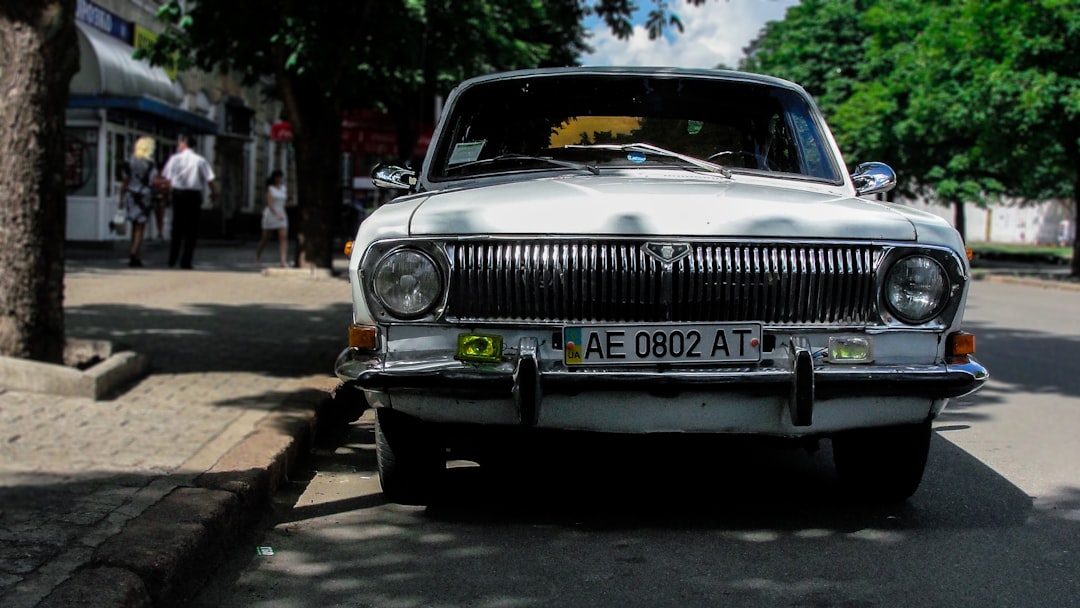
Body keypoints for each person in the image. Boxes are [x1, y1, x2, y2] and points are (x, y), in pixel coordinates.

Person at [160, 133, 216, 269]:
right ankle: (186, 261)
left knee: (177, 227)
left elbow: (167, 180)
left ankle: (172, 259)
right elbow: (210, 179)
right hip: (193, 196)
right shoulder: (200, 160)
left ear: (184, 144)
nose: (179, 145)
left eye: (180, 143)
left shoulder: (174, 159)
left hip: (178, 194)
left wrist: (165, 196)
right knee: (191, 229)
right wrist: (214, 193)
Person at [117, 136, 159, 267]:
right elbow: (153, 181)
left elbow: (125, 181)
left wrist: (121, 197)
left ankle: (134, 251)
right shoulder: (150, 164)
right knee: (140, 226)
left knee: (134, 225)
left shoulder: (129, 161)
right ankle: (135, 253)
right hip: (144, 196)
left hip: (131, 195)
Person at [256, 169, 289, 267]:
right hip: (271, 214)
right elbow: (270, 204)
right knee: (266, 238)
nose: (279, 179)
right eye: (278, 177)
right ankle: (258, 254)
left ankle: (283, 261)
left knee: (283, 237)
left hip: (282, 213)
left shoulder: (283, 188)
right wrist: (276, 214)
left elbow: (284, 201)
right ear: (274, 178)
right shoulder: (270, 189)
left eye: (281, 177)